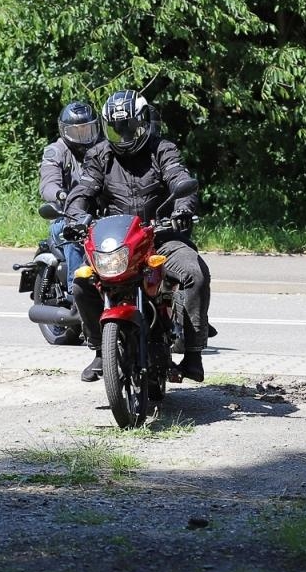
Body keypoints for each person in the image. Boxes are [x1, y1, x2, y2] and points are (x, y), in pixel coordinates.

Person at [64, 90, 212, 383]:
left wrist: (182, 208)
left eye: (129, 127)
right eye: (116, 129)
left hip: (161, 237)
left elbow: (180, 179)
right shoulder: (99, 156)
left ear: (143, 122)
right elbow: (83, 191)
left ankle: (193, 355)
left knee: (195, 273)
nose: (123, 134)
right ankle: (99, 351)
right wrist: (76, 215)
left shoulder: (163, 150)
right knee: (82, 282)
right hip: (119, 242)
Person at [40, 100, 103, 283]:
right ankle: (77, 290)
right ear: (65, 130)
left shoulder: (103, 148)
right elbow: (48, 184)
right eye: (77, 130)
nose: (83, 135)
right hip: (67, 216)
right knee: (73, 235)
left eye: (87, 129)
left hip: (101, 216)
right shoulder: (57, 151)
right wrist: (61, 195)